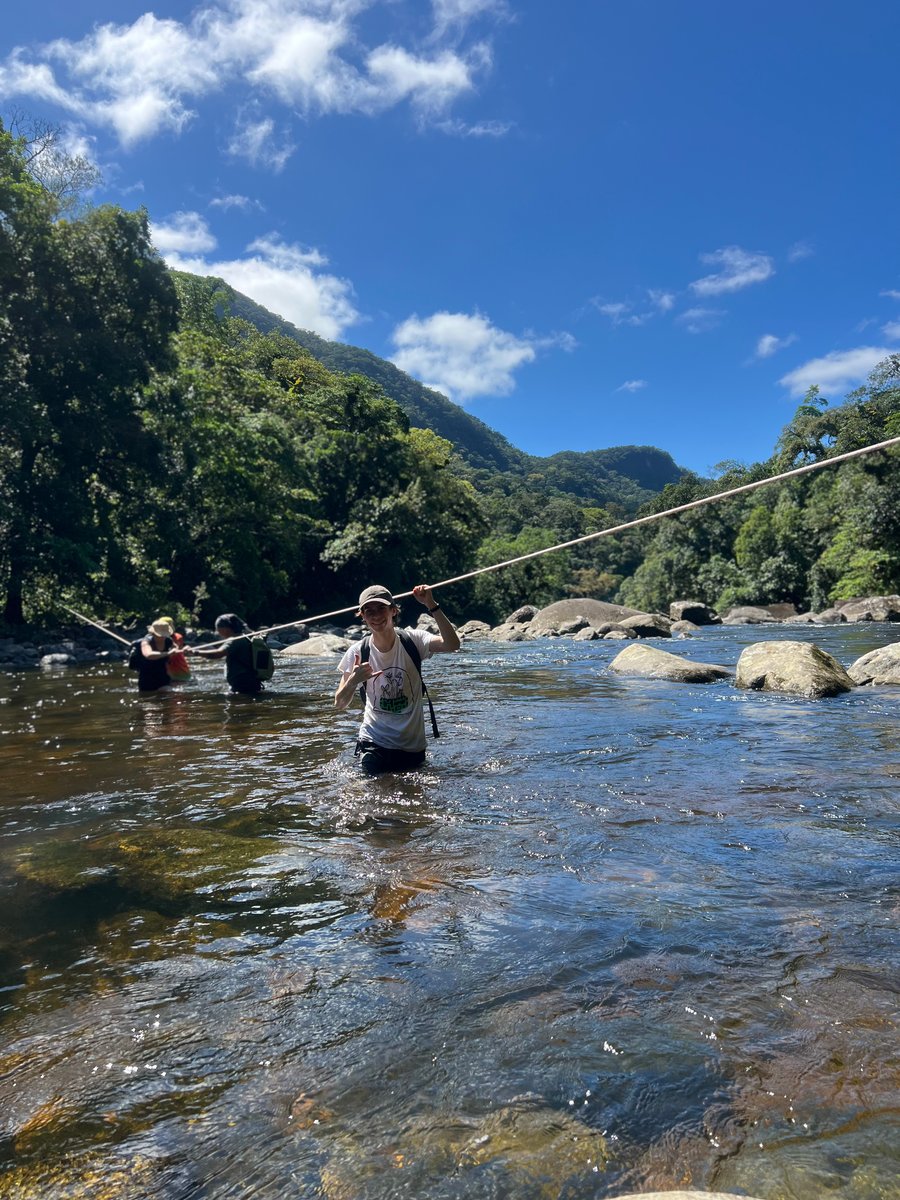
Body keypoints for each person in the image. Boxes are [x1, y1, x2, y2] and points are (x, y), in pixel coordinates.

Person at [335, 584, 460, 774]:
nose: (376, 616)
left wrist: (431, 604)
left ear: (393, 611)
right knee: (367, 793)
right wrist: (353, 680)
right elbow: (340, 703)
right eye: (369, 611)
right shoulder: (357, 652)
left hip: (412, 747)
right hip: (374, 742)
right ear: (362, 616)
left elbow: (452, 644)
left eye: (381, 609)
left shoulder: (414, 640)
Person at [185, 613, 263, 695]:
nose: (217, 632)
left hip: (242, 683)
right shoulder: (244, 637)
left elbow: (217, 654)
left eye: (218, 628)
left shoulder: (234, 640)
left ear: (226, 628)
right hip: (251, 680)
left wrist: (195, 652)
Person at [137, 617, 181, 694]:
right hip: (147, 677)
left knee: (167, 694)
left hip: (163, 675)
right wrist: (168, 653)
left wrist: (177, 650)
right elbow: (148, 655)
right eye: (160, 635)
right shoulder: (146, 641)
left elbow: (176, 648)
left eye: (165, 635)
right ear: (153, 633)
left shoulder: (168, 640)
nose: (163, 637)